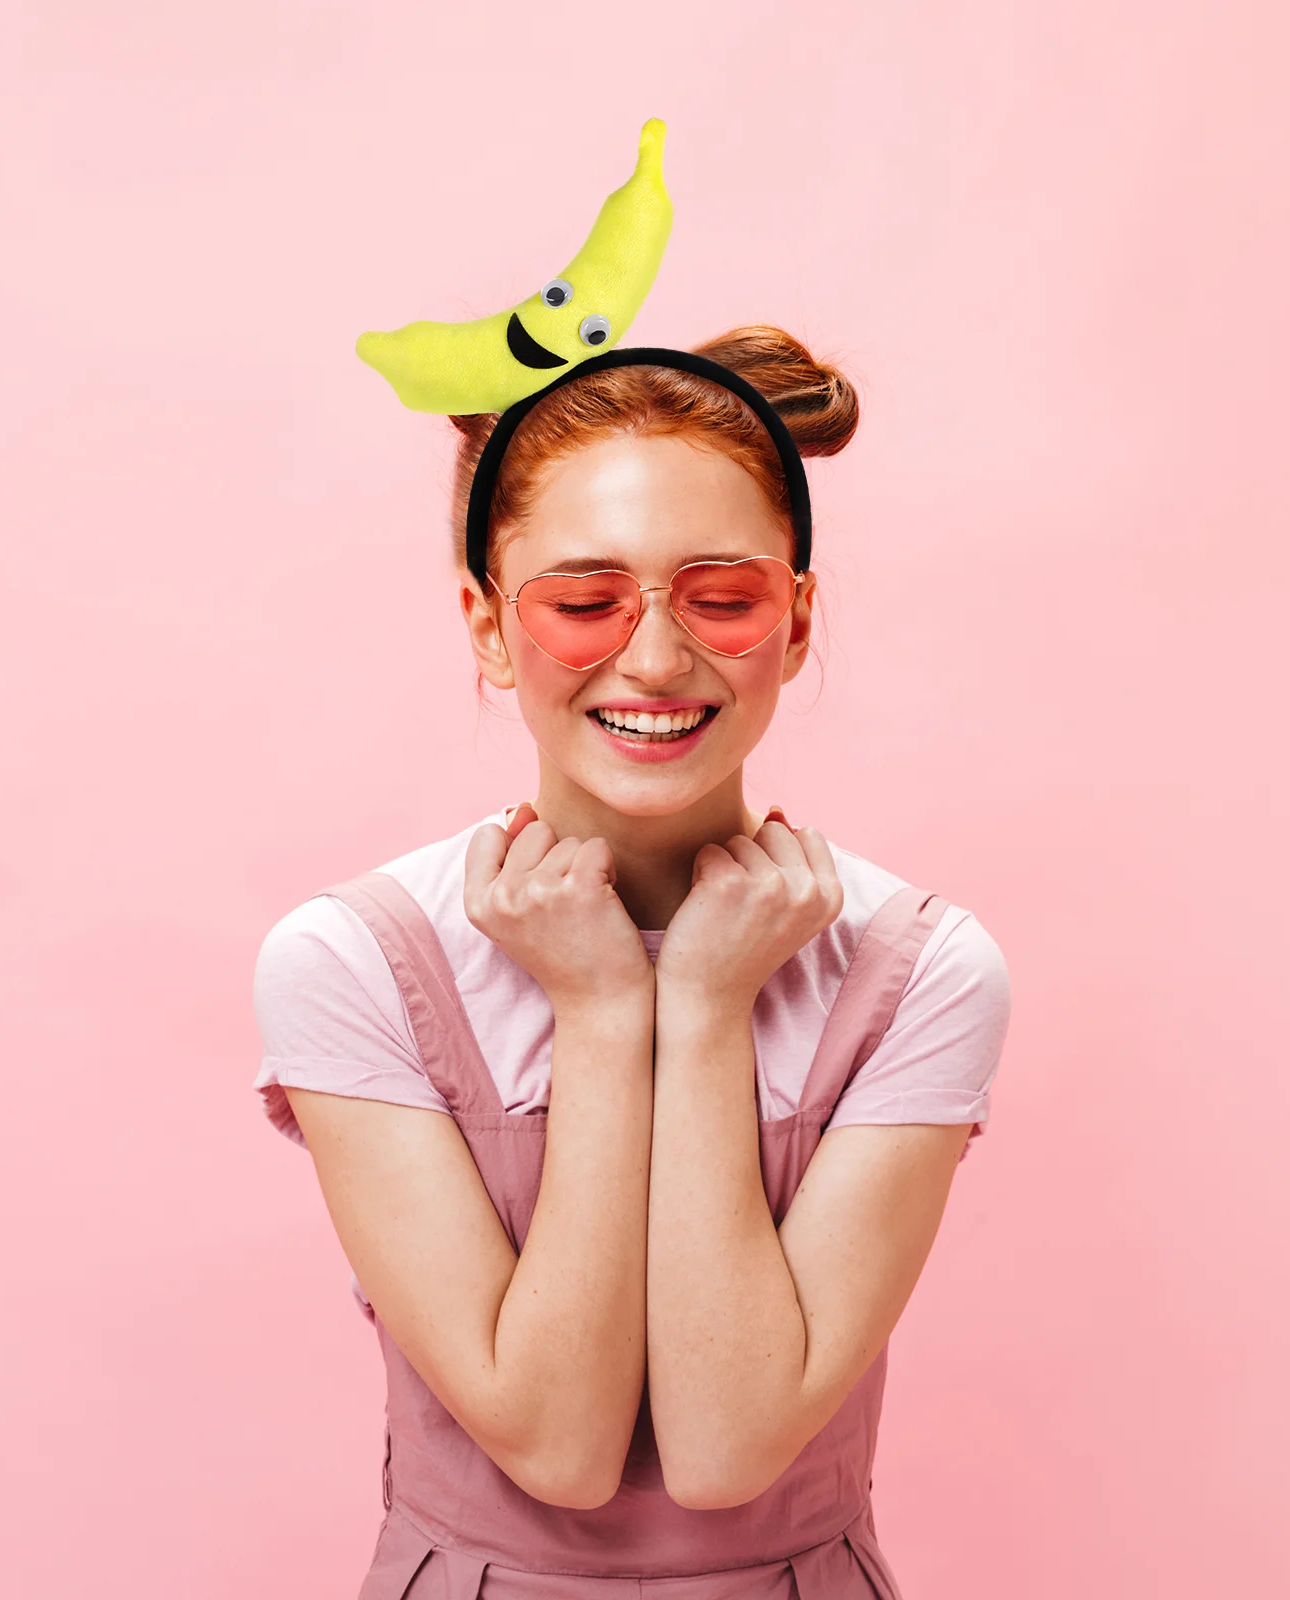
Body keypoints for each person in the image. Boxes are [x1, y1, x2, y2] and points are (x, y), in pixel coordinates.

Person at [252, 326, 1011, 1597]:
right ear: (490, 628)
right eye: (582, 602)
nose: (655, 660)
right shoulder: (354, 959)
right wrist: (603, 1005)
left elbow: (725, 1446)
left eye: (721, 598)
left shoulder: (920, 969)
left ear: (798, 619)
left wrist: (705, 1002)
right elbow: (555, 1440)